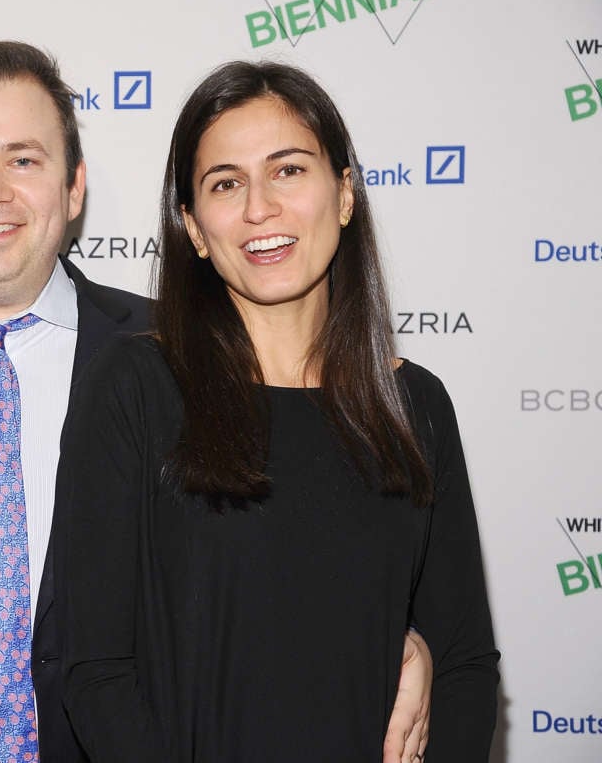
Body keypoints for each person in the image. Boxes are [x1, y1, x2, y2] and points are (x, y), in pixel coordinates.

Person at [0, 41, 434, 763]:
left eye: (23, 159)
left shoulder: (197, 366)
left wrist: (408, 644)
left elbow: (302, 567)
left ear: (75, 188)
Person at [55, 60, 500, 762]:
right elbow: (94, 668)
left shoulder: (416, 405)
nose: (259, 207)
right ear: (195, 228)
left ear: (345, 194)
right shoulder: (134, 388)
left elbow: (467, 662)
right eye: (225, 183)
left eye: (289, 170)